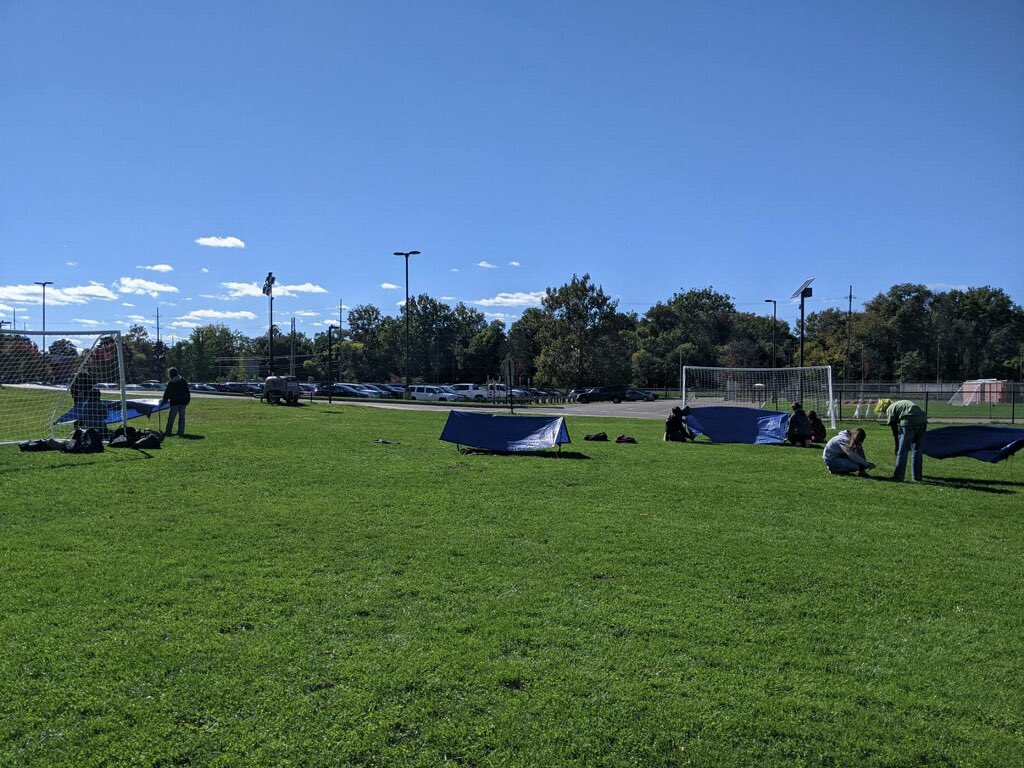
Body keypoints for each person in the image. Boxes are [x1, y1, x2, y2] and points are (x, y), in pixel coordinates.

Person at [876, 398, 928, 482]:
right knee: (917, 450)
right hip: (922, 420)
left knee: (902, 450)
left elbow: (894, 429)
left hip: (909, 421)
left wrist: (897, 445)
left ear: (883, 408)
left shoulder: (890, 409)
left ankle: (898, 476)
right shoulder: (900, 403)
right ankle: (917, 477)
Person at [161, 367, 191, 437]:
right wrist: (187, 400)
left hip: (175, 402)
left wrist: (163, 402)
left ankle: (168, 432)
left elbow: (167, 394)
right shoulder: (183, 380)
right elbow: (187, 391)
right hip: (183, 402)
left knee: (171, 418)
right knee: (182, 418)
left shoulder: (171, 383)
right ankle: (181, 432)